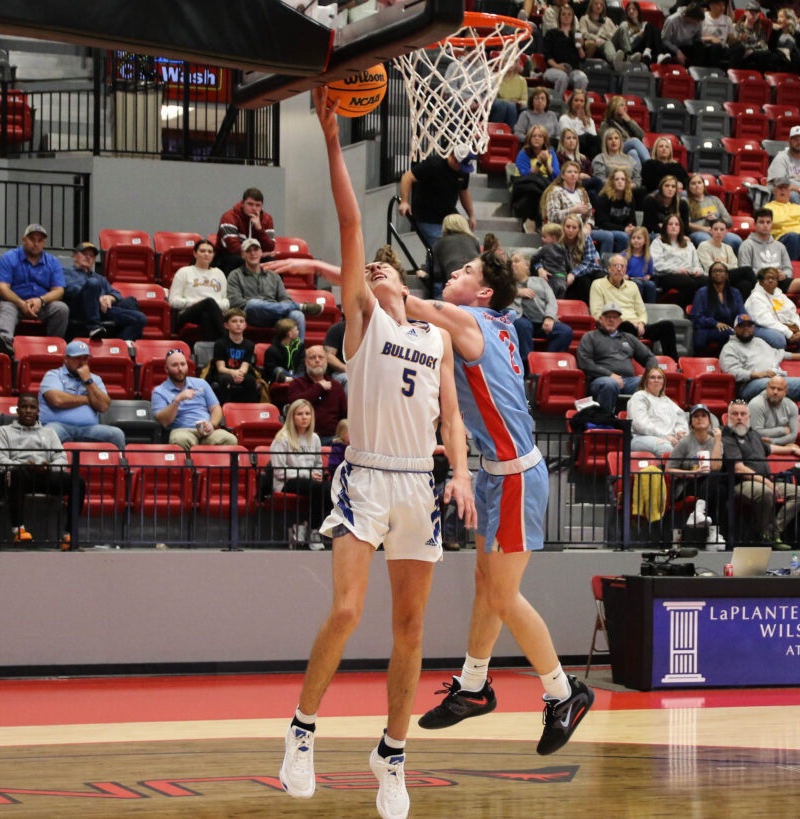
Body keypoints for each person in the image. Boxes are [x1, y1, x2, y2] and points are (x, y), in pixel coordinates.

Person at [279, 89, 474, 819]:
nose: (382, 274)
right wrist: (332, 141)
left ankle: (391, 756)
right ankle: (302, 730)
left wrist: (457, 473)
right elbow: (354, 220)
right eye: (374, 272)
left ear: (409, 281)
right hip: (364, 478)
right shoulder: (360, 327)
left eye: (391, 271)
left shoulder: (434, 339)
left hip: (419, 485)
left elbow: (451, 417)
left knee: (412, 630)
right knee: (348, 610)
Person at [403, 251, 595, 758]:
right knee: (486, 585)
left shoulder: (467, 320)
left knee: (504, 596)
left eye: (465, 272)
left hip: (515, 475)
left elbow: (404, 303)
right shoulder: (495, 320)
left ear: (484, 292)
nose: (452, 274)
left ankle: (563, 693)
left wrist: (351, 271)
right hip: (494, 473)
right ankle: (472, 686)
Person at [0, 392, 83, 545]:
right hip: (18, 475)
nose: (28, 410)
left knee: (77, 481)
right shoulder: (4, 431)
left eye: (32, 407)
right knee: (15, 473)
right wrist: (23, 466)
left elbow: (61, 458)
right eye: (24, 407)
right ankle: (19, 529)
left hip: (44, 474)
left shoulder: (49, 432)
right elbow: (0, 459)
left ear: (38, 411)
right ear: (17, 410)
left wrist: (49, 467)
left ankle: (70, 534)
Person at [722, 397, 800, 548]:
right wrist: (766, 482)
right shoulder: (727, 438)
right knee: (766, 492)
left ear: (749, 417)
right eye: (735, 414)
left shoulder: (753, 435)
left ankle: (772, 532)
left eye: (743, 414)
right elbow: (738, 468)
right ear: (728, 417)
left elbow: (770, 448)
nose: (739, 418)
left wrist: (792, 449)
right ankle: (763, 534)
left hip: (765, 481)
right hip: (741, 484)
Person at [719, 313, 800, 419]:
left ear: (753, 327)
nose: (746, 328)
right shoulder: (730, 347)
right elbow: (731, 372)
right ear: (735, 329)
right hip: (750, 385)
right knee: (775, 386)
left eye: (749, 325)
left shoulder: (759, 341)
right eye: (742, 326)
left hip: (776, 378)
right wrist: (757, 375)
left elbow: (779, 353)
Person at [0, 223, 69, 355]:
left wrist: (40, 301)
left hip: (41, 307)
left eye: (40, 240)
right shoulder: (9, 258)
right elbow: (2, 288)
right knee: (6, 308)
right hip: (14, 304)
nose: (36, 243)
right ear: (24, 240)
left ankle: (53, 347)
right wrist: (21, 304)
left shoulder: (53, 262)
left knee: (61, 309)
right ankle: (3, 342)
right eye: (32, 239)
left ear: (44, 242)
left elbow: (59, 291)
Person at [38, 340, 125, 450]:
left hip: (89, 429)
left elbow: (103, 406)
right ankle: (46, 467)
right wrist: (88, 399)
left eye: (85, 358)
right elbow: (57, 400)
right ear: (66, 359)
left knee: (116, 434)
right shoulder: (53, 375)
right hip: (58, 426)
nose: (82, 362)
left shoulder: (94, 379)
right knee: (49, 433)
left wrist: (88, 380)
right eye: (77, 358)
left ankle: (120, 467)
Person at [226, 238, 321, 338]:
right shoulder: (235, 275)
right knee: (252, 303)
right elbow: (235, 302)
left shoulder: (273, 275)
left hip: (275, 315)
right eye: (248, 251)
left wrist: (273, 307)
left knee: (298, 315)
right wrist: (261, 304)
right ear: (243, 255)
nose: (252, 253)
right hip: (250, 315)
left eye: (256, 250)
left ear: (261, 252)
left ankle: (297, 352)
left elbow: (285, 299)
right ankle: (299, 306)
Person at [590, 254, 678, 358]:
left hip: (636, 327)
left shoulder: (632, 286)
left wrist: (641, 323)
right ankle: (634, 362)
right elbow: (596, 313)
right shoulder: (598, 284)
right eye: (616, 266)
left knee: (667, 326)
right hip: (615, 326)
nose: (619, 269)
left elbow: (641, 311)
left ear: (625, 270)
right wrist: (621, 321)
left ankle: (674, 364)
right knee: (627, 326)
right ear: (609, 268)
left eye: (622, 266)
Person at [577, 302, 658, 412]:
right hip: (600, 379)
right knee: (610, 384)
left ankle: (640, 422)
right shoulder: (590, 337)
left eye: (615, 317)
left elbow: (650, 357)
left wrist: (649, 374)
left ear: (620, 321)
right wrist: (610, 374)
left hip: (628, 380)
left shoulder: (628, 338)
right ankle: (605, 422)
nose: (611, 320)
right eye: (608, 317)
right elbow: (585, 362)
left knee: (648, 382)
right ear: (601, 319)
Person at [151, 349, 237, 451]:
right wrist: (177, 400)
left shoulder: (201, 383)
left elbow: (216, 409)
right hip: (182, 430)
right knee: (180, 439)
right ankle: (189, 467)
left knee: (230, 439)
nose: (180, 369)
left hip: (206, 431)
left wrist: (212, 424)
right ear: (166, 369)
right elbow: (163, 421)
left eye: (183, 364)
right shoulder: (159, 392)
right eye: (175, 365)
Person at [270, 398, 327, 550]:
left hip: (310, 481)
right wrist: (308, 474)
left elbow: (318, 464)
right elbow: (279, 471)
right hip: (286, 482)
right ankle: (313, 532)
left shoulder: (314, 438)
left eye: (307, 414)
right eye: (299, 414)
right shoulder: (282, 439)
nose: (304, 417)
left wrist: (317, 473)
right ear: (292, 417)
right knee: (317, 488)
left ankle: (307, 527)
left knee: (328, 489)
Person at [62, 241, 147, 341]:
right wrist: (96, 297)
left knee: (135, 309)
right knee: (93, 283)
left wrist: (109, 298)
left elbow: (116, 294)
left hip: (102, 310)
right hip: (80, 309)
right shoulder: (65, 272)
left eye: (91, 256)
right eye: (84, 254)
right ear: (75, 256)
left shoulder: (100, 278)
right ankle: (94, 327)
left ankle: (121, 347)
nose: (88, 257)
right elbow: (72, 290)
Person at [398, 148, 476, 248]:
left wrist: (471, 215)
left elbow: (464, 192)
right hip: (428, 217)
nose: (462, 170)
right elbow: (407, 177)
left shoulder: (463, 171)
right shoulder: (434, 164)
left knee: (463, 243)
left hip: (448, 215)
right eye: (461, 166)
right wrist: (404, 201)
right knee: (437, 251)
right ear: (453, 158)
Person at [737, 208, 800, 306]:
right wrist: (766, 275)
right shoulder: (746, 245)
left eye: (768, 222)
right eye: (761, 222)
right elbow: (745, 271)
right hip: (759, 282)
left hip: (778, 281)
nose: (765, 225)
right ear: (755, 224)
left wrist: (785, 275)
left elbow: (788, 268)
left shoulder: (780, 246)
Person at [510, 251, 573, 357]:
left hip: (542, 322)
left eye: (516, 261)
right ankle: (528, 366)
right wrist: (517, 292)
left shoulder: (540, 281)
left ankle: (548, 362)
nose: (513, 265)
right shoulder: (506, 284)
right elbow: (498, 294)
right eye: (510, 263)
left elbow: (551, 300)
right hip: (521, 321)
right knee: (522, 325)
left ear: (527, 265)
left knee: (565, 331)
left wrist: (549, 317)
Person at [168, 239, 229, 341]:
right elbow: (173, 301)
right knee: (208, 301)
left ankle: (210, 350)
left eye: (210, 252)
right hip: (187, 313)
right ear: (195, 254)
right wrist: (195, 303)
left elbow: (226, 302)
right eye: (202, 251)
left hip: (212, 314)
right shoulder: (184, 272)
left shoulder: (219, 273)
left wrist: (210, 305)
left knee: (205, 315)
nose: (206, 254)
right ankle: (226, 339)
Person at [745, 266, 800, 353]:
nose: (771, 280)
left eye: (773, 278)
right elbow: (765, 321)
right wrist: (788, 333)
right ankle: (776, 364)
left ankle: (799, 364)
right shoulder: (755, 297)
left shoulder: (781, 295)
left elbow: (793, 315)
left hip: (782, 327)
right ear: (761, 282)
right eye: (768, 278)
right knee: (779, 339)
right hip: (759, 327)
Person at [288, 344, 348, 441]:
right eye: (312, 357)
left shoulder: (336, 386)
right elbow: (295, 405)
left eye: (321, 357)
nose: (317, 360)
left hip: (332, 438)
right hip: (303, 437)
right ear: (306, 362)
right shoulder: (297, 384)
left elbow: (345, 415)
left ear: (326, 361)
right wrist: (318, 387)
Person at [628, 366, 688, 456]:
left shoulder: (667, 401)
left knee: (692, 446)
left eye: (659, 378)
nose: (656, 380)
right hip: (642, 438)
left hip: (669, 439)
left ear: (663, 382)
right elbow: (640, 424)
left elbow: (680, 419)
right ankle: (662, 470)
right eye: (652, 377)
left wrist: (679, 433)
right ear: (645, 381)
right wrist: (666, 437)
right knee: (665, 447)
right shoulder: (639, 396)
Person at [215, 186, 276, 273]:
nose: (254, 208)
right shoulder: (229, 217)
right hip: (227, 256)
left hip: (254, 256)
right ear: (243, 203)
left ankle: (274, 287)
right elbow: (234, 248)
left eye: (258, 205)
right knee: (236, 260)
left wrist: (259, 228)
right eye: (250, 204)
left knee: (272, 262)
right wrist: (259, 254)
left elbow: (270, 247)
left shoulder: (267, 219)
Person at [650, 213, 705, 308]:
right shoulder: (658, 242)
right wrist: (676, 269)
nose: (674, 227)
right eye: (670, 224)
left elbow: (696, 263)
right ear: (665, 227)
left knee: (709, 281)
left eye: (677, 224)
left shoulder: (688, 244)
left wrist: (698, 270)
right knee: (689, 283)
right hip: (666, 275)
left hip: (689, 274)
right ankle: (684, 311)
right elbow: (656, 264)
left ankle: (701, 311)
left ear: (680, 228)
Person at [513, 124, 561, 232]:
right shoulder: (523, 153)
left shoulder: (551, 154)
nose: (536, 138)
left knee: (536, 188)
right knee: (533, 184)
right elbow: (526, 175)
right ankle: (538, 222)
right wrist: (539, 162)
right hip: (524, 184)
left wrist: (547, 163)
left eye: (540, 136)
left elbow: (556, 176)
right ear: (529, 138)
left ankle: (530, 220)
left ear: (545, 140)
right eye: (534, 136)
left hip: (543, 185)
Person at [691, 261, 746, 354]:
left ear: (727, 275)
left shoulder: (735, 293)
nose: (718, 273)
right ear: (710, 275)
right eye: (715, 271)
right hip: (707, 329)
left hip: (730, 328)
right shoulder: (702, 293)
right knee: (729, 333)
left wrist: (743, 323)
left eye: (721, 271)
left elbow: (742, 313)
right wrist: (715, 323)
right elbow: (696, 317)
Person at [209, 308, 259, 404]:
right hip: (224, 373)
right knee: (225, 379)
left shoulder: (249, 345)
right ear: (226, 325)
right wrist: (233, 373)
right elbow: (221, 368)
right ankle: (224, 410)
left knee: (251, 380)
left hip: (240, 373)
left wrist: (239, 374)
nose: (238, 324)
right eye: (234, 321)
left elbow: (245, 366)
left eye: (241, 321)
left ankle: (250, 410)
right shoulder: (220, 343)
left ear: (245, 325)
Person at [697, 220, 757, 300]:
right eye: (715, 229)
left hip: (727, 277)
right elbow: (710, 267)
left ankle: (740, 310)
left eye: (722, 230)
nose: (718, 232)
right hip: (711, 277)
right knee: (747, 270)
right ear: (711, 231)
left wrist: (720, 263)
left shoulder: (728, 248)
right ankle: (760, 291)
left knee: (746, 285)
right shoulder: (704, 245)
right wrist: (725, 265)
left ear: (726, 232)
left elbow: (735, 267)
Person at [542, 3, 588, 99]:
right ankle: (557, 103)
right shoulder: (551, 33)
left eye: (569, 14)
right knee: (562, 77)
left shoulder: (576, 34)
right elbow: (547, 56)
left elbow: (583, 58)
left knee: (582, 78)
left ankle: (577, 103)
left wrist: (579, 47)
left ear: (572, 17)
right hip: (553, 69)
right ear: (559, 17)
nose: (566, 17)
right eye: (563, 14)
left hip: (572, 70)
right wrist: (557, 66)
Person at [431, 214, 481, 297]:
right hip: (476, 283)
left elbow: (436, 274)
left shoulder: (439, 243)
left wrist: (425, 276)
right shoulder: (474, 241)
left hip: (454, 283)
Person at [687, 174, 741, 251]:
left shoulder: (715, 200)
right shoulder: (686, 202)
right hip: (699, 232)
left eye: (699, 183)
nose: (697, 186)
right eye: (693, 183)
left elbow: (729, 222)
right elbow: (685, 223)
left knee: (736, 240)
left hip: (717, 231)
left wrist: (716, 219)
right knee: (707, 240)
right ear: (689, 187)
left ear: (703, 185)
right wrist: (704, 229)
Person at [560, 213, 604, 302]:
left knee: (602, 278)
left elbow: (589, 263)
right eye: (568, 227)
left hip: (590, 270)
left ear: (579, 229)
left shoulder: (586, 238)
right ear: (563, 227)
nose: (570, 230)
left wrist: (573, 274)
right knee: (583, 282)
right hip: (573, 273)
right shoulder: (559, 240)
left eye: (574, 227)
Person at [593, 169, 639, 255]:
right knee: (624, 236)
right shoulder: (604, 198)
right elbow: (602, 223)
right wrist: (623, 229)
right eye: (617, 179)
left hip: (623, 230)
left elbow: (632, 220)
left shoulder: (630, 199)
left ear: (626, 182)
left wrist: (631, 227)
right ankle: (615, 263)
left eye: (623, 179)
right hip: (605, 230)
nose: (620, 182)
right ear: (611, 182)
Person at [748, 374, 799, 446]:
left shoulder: (792, 406)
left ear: (785, 392)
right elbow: (755, 433)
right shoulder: (756, 404)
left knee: (795, 448)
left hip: (781, 444)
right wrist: (783, 430)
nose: (775, 392)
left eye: (779, 389)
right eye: (772, 388)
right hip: (759, 445)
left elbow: (793, 435)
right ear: (766, 388)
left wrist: (773, 441)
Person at [596, 96, 650, 165]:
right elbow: (604, 142)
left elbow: (641, 135)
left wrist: (630, 121)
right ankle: (650, 164)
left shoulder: (627, 122)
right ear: (614, 107)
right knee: (634, 141)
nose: (625, 107)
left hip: (626, 151)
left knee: (633, 153)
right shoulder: (606, 124)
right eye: (621, 105)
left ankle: (638, 175)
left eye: (625, 105)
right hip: (614, 150)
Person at [612, 0, 668, 66]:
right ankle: (656, 53)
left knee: (655, 29)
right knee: (649, 26)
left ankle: (658, 55)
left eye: (634, 9)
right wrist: (638, 35)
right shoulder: (625, 24)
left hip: (645, 46)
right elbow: (625, 42)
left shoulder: (644, 24)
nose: (631, 11)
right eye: (629, 10)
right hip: (632, 48)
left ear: (638, 11)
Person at [556, 127, 600, 202]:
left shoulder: (584, 159)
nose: (571, 141)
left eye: (574, 138)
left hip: (584, 187)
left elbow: (590, 175)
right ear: (562, 141)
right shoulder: (558, 157)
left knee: (592, 193)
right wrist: (578, 176)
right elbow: (558, 175)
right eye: (568, 138)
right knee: (597, 181)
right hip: (566, 185)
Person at [530, 223, 571, 297]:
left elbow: (534, 258)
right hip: (563, 280)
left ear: (553, 238)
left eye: (544, 237)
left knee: (550, 300)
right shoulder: (564, 250)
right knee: (560, 303)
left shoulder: (546, 248)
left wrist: (535, 265)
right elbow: (569, 266)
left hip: (551, 279)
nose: (542, 239)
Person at [558, 90, 600, 159]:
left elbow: (594, 138)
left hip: (587, 148)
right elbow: (567, 136)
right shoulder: (564, 118)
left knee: (595, 141)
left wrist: (585, 122)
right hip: (571, 145)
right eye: (576, 100)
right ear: (571, 102)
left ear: (585, 103)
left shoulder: (589, 120)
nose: (578, 103)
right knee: (587, 137)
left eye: (581, 101)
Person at [264, 318, 305, 383]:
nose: (298, 331)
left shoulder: (300, 346)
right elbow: (270, 370)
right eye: (296, 329)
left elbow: (302, 364)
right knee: (278, 370)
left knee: (304, 371)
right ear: (290, 334)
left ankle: (291, 379)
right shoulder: (272, 350)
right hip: (283, 374)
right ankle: (296, 380)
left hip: (296, 373)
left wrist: (294, 376)